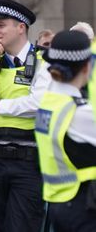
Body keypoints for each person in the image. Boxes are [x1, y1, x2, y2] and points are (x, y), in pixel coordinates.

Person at [0, 0, 49, 232]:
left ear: (21, 27)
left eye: (1, 24)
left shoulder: (43, 61)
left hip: (29, 162)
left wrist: (0, 107)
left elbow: (39, 103)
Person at [34, 30, 96, 231]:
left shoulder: (49, 103)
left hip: (58, 202)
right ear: (87, 67)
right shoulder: (79, 112)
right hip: (82, 205)